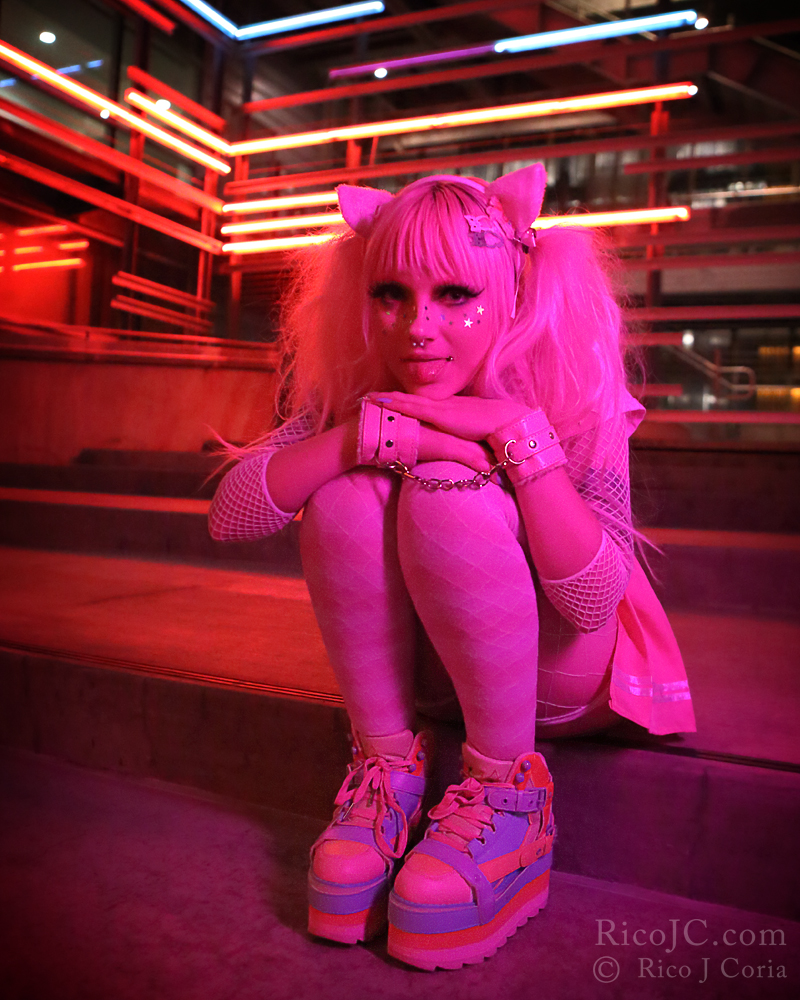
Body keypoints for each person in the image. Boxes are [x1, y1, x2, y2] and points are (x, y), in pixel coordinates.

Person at [208, 164, 695, 971]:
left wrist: (517, 437)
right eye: (390, 294)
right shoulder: (365, 388)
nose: (416, 327)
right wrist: (367, 437)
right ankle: (385, 773)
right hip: (433, 674)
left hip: (559, 674)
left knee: (447, 492)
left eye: (455, 295)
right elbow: (232, 515)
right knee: (344, 491)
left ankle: (509, 801)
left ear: (512, 291)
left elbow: (594, 599)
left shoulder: (571, 387)